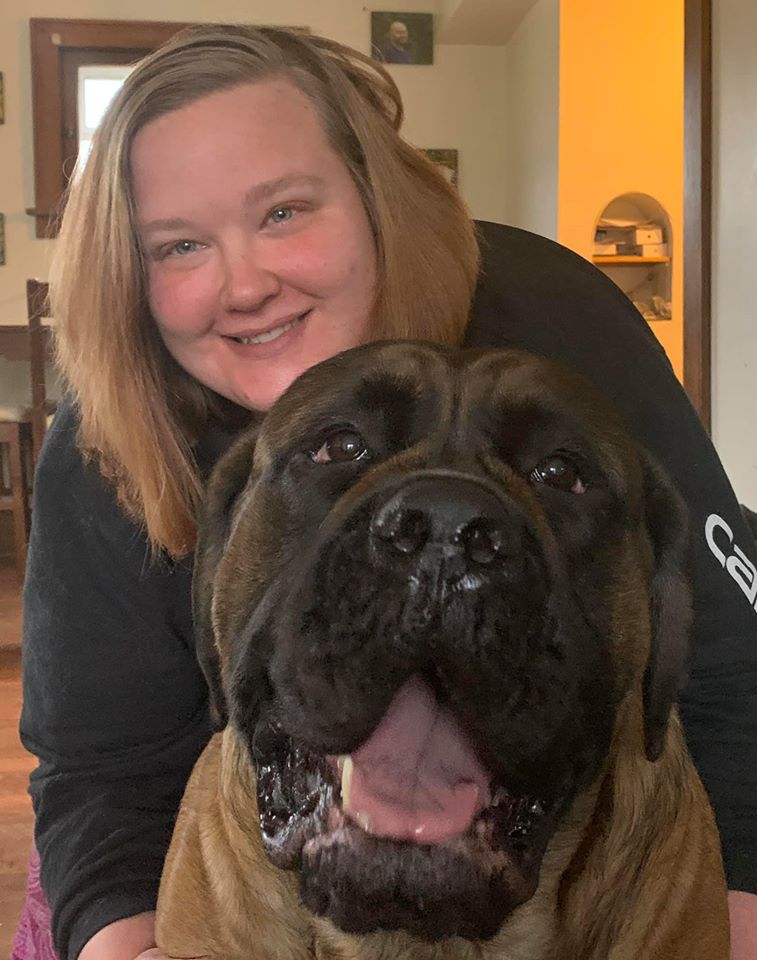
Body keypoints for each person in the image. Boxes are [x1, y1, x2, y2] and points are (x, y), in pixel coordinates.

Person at [13, 23, 757, 960]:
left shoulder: (556, 317)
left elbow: (731, 665)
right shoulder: (109, 436)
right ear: (130, 277)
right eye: (179, 245)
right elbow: (101, 767)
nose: (245, 284)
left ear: (377, 195)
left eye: (284, 212)